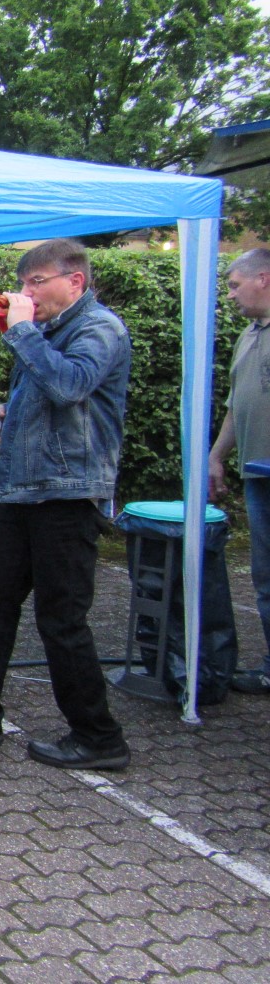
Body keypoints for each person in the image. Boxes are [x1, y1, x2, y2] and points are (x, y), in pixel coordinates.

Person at [0, 238, 132, 770]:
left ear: (75, 281)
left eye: (36, 282)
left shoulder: (100, 328)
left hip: (67, 494)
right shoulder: (45, 332)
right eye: (23, 283)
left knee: (61, 619)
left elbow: (69, 386)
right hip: (21, 492)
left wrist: (21, 331)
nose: (26, 292)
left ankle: (99, 737)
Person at [208, 248, 270, 694]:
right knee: (265, 577)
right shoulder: (249, 335)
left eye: (234, 285)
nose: (229, 294)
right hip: (257, 475)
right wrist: (216, 456)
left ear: (263, 278)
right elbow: (236, 403)